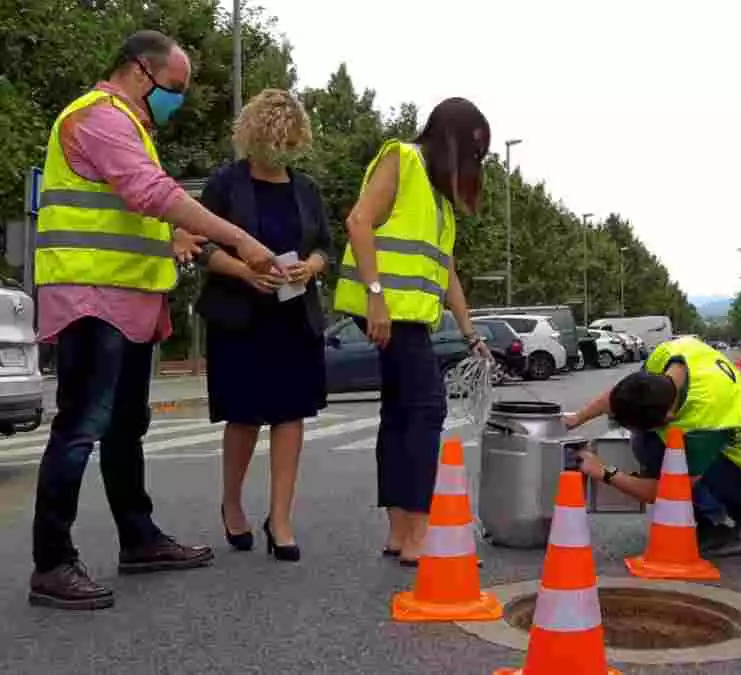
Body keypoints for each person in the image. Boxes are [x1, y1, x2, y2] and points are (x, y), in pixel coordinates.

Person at [30, 30, 277, 610]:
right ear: (141, 72)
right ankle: (51, 562)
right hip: (92, 300)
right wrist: (239, 238)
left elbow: (126, 210)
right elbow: (148, 191)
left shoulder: (129, 126)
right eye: (176, 88)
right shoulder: (99, 117)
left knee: (124, 426)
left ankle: (138, 538)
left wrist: (171, 238)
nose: (179, 101)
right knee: (80, 425)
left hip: (130, 300)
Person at [332, 98, 492, 564]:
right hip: (387, 309)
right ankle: (420, 535)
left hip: (408, 314)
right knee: (425, 409)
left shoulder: (438, 198)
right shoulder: (401, 158)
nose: (473, 162)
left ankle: (401, 532)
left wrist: (470, 333)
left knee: (402, 413)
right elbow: (358, 222)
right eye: (473, 150)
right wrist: (376, 297)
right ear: (451, 138)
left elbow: (445, 271)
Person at [195, 89, 331, 563]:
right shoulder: (225, 185)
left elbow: (325, 248)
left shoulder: (307, 189)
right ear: (254, 136)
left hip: (295, 316)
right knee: (244, 415)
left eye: (289, 143)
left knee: (291, 415)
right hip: (240, 317)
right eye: (274, 141)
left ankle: (281, 517)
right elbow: (199, 246)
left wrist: (310, 267)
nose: (281, 151)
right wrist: (243, 271)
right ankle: (232, 504)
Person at [566, 336, 741, 557]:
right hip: (730, 442)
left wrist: (604, 472)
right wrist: (577, 418)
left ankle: (718, 528)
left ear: (669, 417)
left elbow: (672, 490)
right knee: (645, 443)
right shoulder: (668, 354)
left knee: (657, 453)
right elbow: (625, 393)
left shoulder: (706, 417)